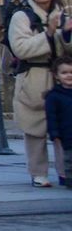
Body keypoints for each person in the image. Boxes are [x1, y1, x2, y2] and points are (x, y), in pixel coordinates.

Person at [8, 0, 66, 188]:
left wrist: (66, 35)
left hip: (60, 77)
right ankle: (38, 172)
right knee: (34, 127)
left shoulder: (62, 14)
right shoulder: (21, 17)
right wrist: (49, 33)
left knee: (65, 126)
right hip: (34, 76)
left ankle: (65, 170)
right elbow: (21, 49)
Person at [43, 55, 72, 189]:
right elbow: (51, 116)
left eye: (71, 72)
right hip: (66, 134)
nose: (69, 75)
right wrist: (54, 134)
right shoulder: (54, 96)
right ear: (56, 76)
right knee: (69, 159)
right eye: (64, 73)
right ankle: (69, 179)